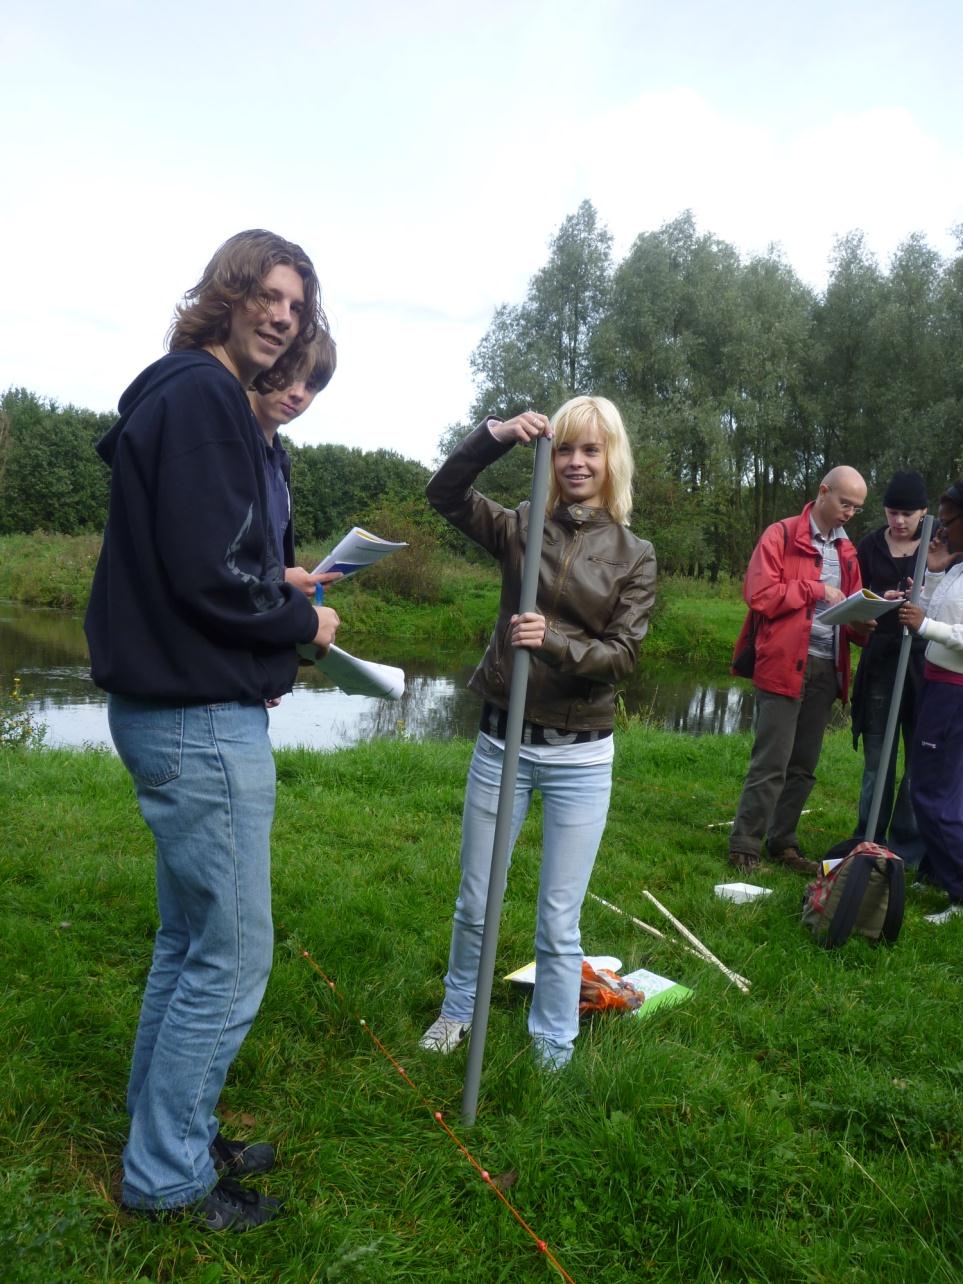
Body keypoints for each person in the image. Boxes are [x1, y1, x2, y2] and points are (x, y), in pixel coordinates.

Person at [84, 230, 341, 1229]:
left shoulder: (186, 396)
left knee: (189, 941)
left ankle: (166, 1133)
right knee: (230, 960)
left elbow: (199, 557)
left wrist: (265, 590)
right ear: (227, 296)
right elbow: (204, 578)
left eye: (297, 304)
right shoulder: (201, 398)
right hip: (195, 718)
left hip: (173, 704)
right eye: (267, 295)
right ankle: (169, 1179)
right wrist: (300, 624)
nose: (282, 316)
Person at [419, 397, 656, 1070]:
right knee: (475, 899)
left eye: (590, 449)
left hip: (580, 755)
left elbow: (624, 655)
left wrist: (549, 640)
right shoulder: (520, 526)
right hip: (504, 742)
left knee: (557, 917)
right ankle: (456, 1008)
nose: (576, 462)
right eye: (564, 449)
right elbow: (444, 493)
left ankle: (552, 1041)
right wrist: (492, 437)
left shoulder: (634, 555)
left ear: (611, 460)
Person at [728, 467, 868, 875]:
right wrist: (814, 588)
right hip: (783, 664)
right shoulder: (781, 534)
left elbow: (851, 609)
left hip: (827, 666)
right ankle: (744, 845)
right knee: (771, 761)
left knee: (804, 765)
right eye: (845, 503)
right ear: (823, 492)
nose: (849, 514)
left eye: (857, 508)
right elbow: (759, 595)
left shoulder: (848, 552)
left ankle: (782, 842)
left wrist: (866, 620)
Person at [850, 471, 929, 862]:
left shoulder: (938, 550)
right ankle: (867, 838)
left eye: (907, 514)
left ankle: (905, 850)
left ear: (924, 514)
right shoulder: (867, 547)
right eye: (893, 512)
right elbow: (852, 599)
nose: (898, 521)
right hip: (880, 663)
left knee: (918, 762)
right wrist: (879, 600)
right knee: (877, 760)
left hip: (923, 666)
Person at [897, 478, 963, 924]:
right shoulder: (958, 568)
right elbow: (934, 611)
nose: (939, 529)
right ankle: (941, 874)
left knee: (931, 791)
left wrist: (924, 627)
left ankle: (959, 892)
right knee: (942, 790)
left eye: (948, 519)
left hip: (954, 692)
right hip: (938, 683)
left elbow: (941, 629)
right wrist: (934, 572)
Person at [249, 333, 339, 597]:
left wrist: (286, 583)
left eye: (311, 385)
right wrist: (281, 579)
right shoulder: (228, 445)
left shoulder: (280, 463)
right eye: (290, 374)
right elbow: (203, 560)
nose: (298, 393)